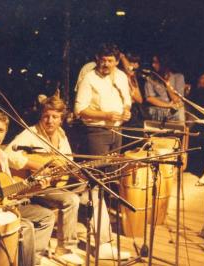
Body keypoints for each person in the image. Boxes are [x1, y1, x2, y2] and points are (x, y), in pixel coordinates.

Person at [0, 110, 55, 266]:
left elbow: (9, 190)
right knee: (26, 227)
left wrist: (34, 187)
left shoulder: (2, 156)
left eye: (1, 130)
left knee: (46, 216)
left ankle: (32, 259)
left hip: (2, 207)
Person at [5, 92, 85, 264]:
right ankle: (65, 248)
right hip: (32, 186)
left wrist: (67, 168)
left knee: (88, 188)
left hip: (52, 183)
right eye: (46, 116)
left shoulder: (62, 135)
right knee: (71, 199)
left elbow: (68, 160)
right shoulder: (31, 133)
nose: (50, 121)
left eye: (55, 117)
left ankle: (100, 241)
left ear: (61, 119)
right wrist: (35, 165)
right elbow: (7, 155)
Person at [74, 43, 131, 260]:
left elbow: (127, 103)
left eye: (110, 60)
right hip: (96, 133)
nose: (106, 64)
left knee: (109, 183)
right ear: (97, 59)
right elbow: (80, 109)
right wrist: (106, 115)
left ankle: (104, 234)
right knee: (96, 185)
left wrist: (125, 112)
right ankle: (101, 241)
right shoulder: (89, 78)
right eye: (103, 60)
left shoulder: (122, 78)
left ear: (117, 61)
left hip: (117, 133)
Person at [144, 54, 185, 122]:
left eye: (156, 62)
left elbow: (177, 100)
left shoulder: (178, 77)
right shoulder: (150, 78)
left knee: (180, 110)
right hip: (157, 111)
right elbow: (149, 98)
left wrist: (168, 86)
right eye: (152, 62)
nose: (153, 65)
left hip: (174, 112)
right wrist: (168, 105)